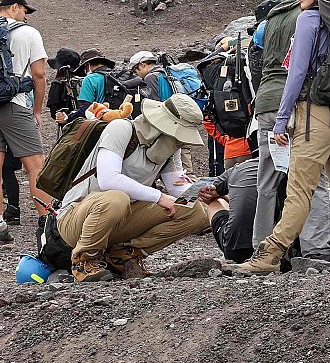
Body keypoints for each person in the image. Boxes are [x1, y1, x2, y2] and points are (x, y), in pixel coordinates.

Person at [236, 0, 330, 274]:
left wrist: (281, 120)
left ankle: (270, 255)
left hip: (315, 114)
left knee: (299, 187)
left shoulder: (309, 19)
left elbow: (296, 73)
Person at [57, 95, 215, 281]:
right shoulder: (121, 128)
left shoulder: (170, 147)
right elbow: (108, 179)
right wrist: (158, 196)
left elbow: (177, 188)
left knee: (193, 211)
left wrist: (205, 191)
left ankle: (122, 254)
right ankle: (84, 259)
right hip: (76, 219)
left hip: (121, 218)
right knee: (117, 198)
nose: (182, 140)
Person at [250, 0, 330, 262]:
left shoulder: (270, 20)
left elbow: (259, 60)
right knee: (314, 178)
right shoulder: (310, 15)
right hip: (297, 102)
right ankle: (317, 248)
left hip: (265, 102)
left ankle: (262, 246)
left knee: (267, 179)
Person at [0, 0, 50, 221]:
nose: (26, 17)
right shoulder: (28, 33)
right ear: (14, 7)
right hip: (14, 104)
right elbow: (39, 74)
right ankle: (47, 224)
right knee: (35, 167)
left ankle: (0, 224)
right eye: (25, 11)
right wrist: (37, 110)